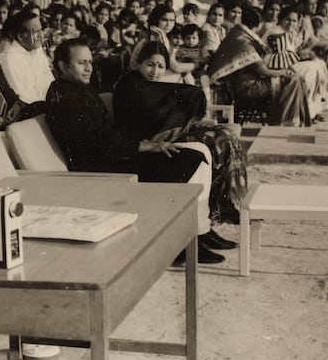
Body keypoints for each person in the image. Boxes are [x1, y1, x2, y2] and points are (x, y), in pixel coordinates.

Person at [45, 38, 224, 264]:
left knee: (192, 155)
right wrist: (143, 146)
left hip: (111, 155)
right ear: (62, 66)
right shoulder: (65, 96)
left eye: (90, 62)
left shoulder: (78, 90)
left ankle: (196, 233)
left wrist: (145, 144)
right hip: (99, 167)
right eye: (82, 63)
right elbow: (93, 142)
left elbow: (104, 134)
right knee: (187, 159)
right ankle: (181, 243)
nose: (89, 67)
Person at [114, 40, 248, 229]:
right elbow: (151, 115)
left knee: (227, 136)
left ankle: (227, 204)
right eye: (150, 64)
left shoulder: (152, 86)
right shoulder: (129, 84)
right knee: (218, 139)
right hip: (147, 141)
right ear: (139, 63)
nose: (155, 71)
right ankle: (219, 207)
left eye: (161, 66)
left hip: (168, 134)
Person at [208, 8, 311, 127]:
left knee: (296, 79)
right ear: (260, 23)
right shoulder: (243, 41)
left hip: (248, 82)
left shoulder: (238, 34)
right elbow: (263, 70)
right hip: (247, 87)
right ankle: (283, 122)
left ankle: (292, 119)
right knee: (293, 80)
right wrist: (284, 72)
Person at [0, 10, 54, 105]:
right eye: (35, 31)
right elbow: (21, 97)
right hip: (30, 111)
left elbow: (50, 84)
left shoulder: (37, 50)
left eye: (41, 30)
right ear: (20, 36)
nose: (41, 35)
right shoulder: (8, 57)